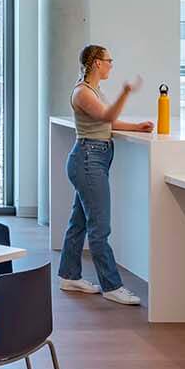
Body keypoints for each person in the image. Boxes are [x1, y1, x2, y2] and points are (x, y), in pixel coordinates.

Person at [58, 44, 151, 307]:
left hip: (93, 158)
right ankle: (112, 286)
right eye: (109, 60)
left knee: (79, 222)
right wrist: (126, 91)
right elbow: (107, 115)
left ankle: (69, 276)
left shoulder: (94, 91)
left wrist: (136, 127)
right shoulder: (82, 92)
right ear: (97, 63)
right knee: (100, 227)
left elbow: (105, 121)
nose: (111, 65)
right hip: (89, 160)